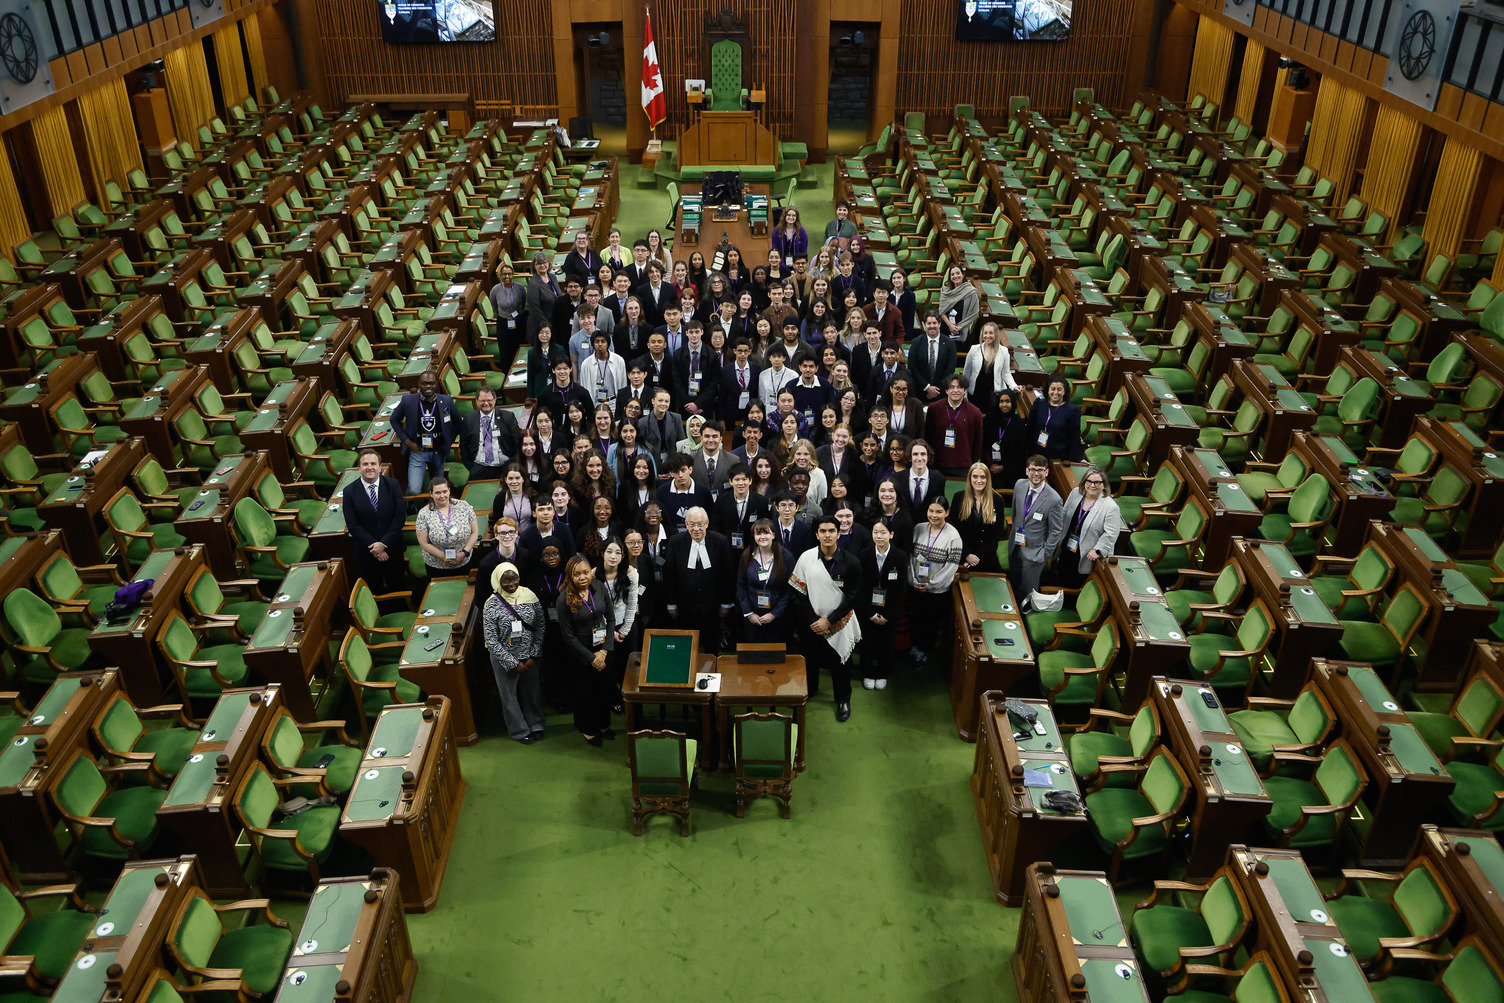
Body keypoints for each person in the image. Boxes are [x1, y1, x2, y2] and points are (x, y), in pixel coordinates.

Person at [789, 516, 862, 721]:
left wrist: (829, 620)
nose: (827, 535)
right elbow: (797, 591)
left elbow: (853, 596)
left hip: (839, 624)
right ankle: (809, 691)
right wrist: (815, 620)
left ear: (839, 534)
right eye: (823, 531)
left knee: (841, 664)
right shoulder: (806, 558)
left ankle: (843, 699)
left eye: (831, 531)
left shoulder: (852, 562)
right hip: (811, 624)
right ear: (817, 534)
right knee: (809, 660)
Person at [483, 562, 546, 744]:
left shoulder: (530, 596)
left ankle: (536, 724)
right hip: (503, 658)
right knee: (509, 696)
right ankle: (519, 730)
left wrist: (533, 654)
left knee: (532, 692)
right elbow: (491, 640)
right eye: (506, 580)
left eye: (514, 578)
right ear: (497, 581)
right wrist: (512, 662)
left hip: (530, 656)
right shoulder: (491, 604)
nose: (511, 583)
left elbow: (540, 626)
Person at [556, 555, 616, 746]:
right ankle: (587, 728)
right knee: (585, 692)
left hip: (602, 648)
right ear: (570, 576)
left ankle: (603, 724)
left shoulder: (598, 586)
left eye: (586, 572)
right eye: (577, 574)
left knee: (603, 688)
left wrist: (604, 652)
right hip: (580, 653)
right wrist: (592, 658)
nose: (583, 577)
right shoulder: (563, 599)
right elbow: (568, 636)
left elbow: (611, 619)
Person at [663, 507, 735, 654]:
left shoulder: (720, 541)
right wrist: (671, 603)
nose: (696, 529)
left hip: (712, 606)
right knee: (686, 647)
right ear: (686, 524)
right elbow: (670, 574)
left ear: (707, 523)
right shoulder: (676, 541)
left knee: (711, 645)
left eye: (700, 524)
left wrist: (726, 603)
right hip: (685, 606)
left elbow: (727, 574)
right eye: (692, 524)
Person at [387, 369, 462, 497]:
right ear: (419, 384)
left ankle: (435, 508)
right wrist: (407, 441)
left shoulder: (446, 401)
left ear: (436, 384)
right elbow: (394, 420)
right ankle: (411, 508)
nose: (428, 386)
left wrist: (448, 441)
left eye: (432, 383)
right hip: (418, 451)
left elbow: (458, 422)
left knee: (437, 488)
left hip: (439, 451)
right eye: (425, 383)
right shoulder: (408, 401)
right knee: (414, 490)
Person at [908, 496, 963, 665]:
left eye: (939, 512)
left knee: (930, 624)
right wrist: (913, 580)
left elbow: (951, 567)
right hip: (915, 586)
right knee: (915, 619)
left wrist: (931, 585)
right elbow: (910, 558)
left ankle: (924, 651)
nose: (934, 515)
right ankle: (914, 646)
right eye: (931, 511)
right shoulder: (918, 528)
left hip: (936, 591)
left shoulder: (953, 536)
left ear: (947, 512)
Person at [343, 448, 407, 593]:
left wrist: (383, 544)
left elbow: (399, 517)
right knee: (374, 590)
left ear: (380, 467)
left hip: (393, 548)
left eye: (373, 463)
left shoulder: (393, 485)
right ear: (359, 468)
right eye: (365, 464)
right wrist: (375, 548)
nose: (369, 467)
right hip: (367, 554)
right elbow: (353, 525)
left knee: (397, 587)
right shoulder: (349, 492)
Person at [857, 518, 907, 690]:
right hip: (868, 610)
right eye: (875, 532)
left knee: (887, 643)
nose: (879, 536)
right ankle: (868, 672)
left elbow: (901, 590)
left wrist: (887, 615)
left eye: (883, 532)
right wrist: (870, 614)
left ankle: (882, 673)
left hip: (889, 610)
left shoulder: (900, 556)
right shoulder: (863, 555)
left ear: (891, 534)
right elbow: (859, 588)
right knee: (867, 642)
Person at [1009, 454, 1066, 602]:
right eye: (1033, 469)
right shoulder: (1019, 485)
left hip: (1035, 553)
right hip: (1015, 545)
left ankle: (1028, 616)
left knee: (1029, 591)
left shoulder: (1054, 499)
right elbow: (1015, 514)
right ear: (1027, 471)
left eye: (1040, 470)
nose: (1036, 473)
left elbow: (1056, 531)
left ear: (1046, 472)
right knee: (1014, 583)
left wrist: (1045, 554)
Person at [1056, 466, 1123, 589]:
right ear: (1084, 482)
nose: (1092, 485)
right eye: (1089, 481)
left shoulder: (1110, 507)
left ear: (1104, 485)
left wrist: (1098, 550)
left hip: (1088, 553)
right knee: (1063, 574)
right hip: (1068, 545)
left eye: (1097, 482)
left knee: (1076, 582)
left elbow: (1112, 533)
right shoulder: (1075, 493)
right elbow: (1064, 515)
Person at [596, 537, 639, 712]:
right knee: (608, 666)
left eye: (618, 552)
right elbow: (595, 608)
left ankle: (629, 697)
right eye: (609, 552)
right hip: (603, 626)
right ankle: (614, 699)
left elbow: (632, 604)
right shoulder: (594, 575)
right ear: (602, 553)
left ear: (623, 555)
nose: (613, 556)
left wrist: (624, 630)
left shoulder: (631, 573)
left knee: (628, 665)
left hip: (626, 625)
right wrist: (610, 631)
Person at [736, 519, 795, 644]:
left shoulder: (786, 557)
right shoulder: (747, 555)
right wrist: (749, 613)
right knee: (754, 655)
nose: (762, 537)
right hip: (753, 616)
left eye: (766, 533)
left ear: (773, 535)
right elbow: (741, 585)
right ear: (754, 536)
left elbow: (790, 590)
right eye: (758, 534)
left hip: (778, 617)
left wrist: (774, 614)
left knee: (776, 656)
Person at [414, 477, 478, 578]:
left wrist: (464, 553)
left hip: (464, 560)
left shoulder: (464, 506)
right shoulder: (424, 514)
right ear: (431, 494)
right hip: (437, 566)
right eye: (437, 493)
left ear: (449, 490)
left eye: (444, 491)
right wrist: (445, 557)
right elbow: (424, 543)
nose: (442, 496)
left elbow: (474, 533)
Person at [925, 375, 985, 477]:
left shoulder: (975, 412)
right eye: (952, 387)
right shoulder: (934, 409)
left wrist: (971, 462)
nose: (955, 390)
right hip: (937, 464)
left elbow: (978, 442)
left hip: (963, 466)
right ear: (946, 390)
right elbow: (928, 436)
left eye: (959, 387)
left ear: (965, 390)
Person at [951, 462, 1004, 574]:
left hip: (986, 555)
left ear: (988, 479)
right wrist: (967, 554)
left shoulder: (997, 500)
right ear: (970, 478)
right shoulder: (958, 498)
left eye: (982, 477)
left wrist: (977, 557)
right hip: (963, 553)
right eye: (975, 476)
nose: (978, 480)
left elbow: (996, 534)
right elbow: (954, 530)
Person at [460, 387, 521, 482]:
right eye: (482, 400)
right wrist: (471, 467)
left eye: (489, 400)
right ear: (476, 401)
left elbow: (518, 443)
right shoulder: (469, 419)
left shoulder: (508, 417)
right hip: (479, 468)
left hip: (505, 467)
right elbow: (463, 446)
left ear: (495, 400)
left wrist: (512, 464)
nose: (486, 403)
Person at [1025, 375, 1086, 463]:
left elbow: (1074, 437)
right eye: (1053, 389)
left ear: (1064, 391)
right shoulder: (1039, 404)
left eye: (1059, 389)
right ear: (1048, 390)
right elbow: (1030, 429)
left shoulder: (1072, 411)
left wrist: (1080, 458)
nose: (1056, 392)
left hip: (1057, 457)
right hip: (1036, 453)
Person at [962, 322, 1018, 411]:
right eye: (985, 333)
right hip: (975, 393)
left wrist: (1014, 386)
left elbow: (1006, 374)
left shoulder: (1004, 351)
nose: (988, 336)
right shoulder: (974, 349)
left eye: (991, 333)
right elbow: (966, 373)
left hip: (994, 395)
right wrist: (964, 394)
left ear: (996, 334)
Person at [983, 388, 1030, 488]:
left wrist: (1003, 467)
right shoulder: (990, 419)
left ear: (1013, 402)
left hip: (1010, 471)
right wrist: (991, 464)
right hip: (989, 467)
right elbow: (984, 444)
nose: (1004, 405)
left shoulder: (1019, 423)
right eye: (1001, 401)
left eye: (1007, 401)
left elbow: (1020, 451)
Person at [909, 312, 958, 405]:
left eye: (934, 323)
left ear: (939, 324)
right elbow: (912, 367)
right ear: (924, 325)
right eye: (929, 323)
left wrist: (935, 390)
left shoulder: (949, 343)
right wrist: (927, 387)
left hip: (941, 392)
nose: (932, 326)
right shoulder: (916, 342)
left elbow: (950, 369)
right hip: (919, 391)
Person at [656, 452, 711, 533]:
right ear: (671, 473)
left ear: (690, 469)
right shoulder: (662, 491)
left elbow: (710, 519)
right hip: (670, 538)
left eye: (683, 470)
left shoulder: (703, 491)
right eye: (676, 471)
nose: (680, 475)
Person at [477, 515, 525, 608]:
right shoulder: (486, 564)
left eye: (511, 532)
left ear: (516, 534)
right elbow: (481, 598)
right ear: (496, 536)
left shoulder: (527, 557)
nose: (507, 536)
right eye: (503, 533)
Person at [637, 388, 686, 470]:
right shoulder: (642, 422)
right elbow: (642, 449)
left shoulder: (676, 418)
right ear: (653, 401)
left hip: (673, 465)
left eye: (666, 401)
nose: (663, 404)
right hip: (651, 466)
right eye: (660, 400)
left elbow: (681, 443)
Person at [902, 439, 947, 521]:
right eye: (915, 454)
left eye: (923, 454)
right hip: (905, 526)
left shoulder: (939, 479)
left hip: (928, 527)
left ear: (928, 456)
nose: (919, 458)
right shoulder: (898, 478)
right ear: (909, 457)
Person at [490, 262, 524, 369]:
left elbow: (523, 304)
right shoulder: (495, 290)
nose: (507, 277)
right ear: (500, 276)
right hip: (503, 323)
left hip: (518, 321)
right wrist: (504, 314)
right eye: (504, 274)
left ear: (513, 275)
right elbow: (494, 306)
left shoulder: (520, 288)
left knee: (518, 348)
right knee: (505, 352)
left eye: (509, 274)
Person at [937, 265, 979, 343]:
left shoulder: (971, 292)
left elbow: (974, 313)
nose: (955, 276)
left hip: (961, 329)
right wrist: (950, 325)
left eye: (958, 273)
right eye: (952, 274)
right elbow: (941, 311)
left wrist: (959, 327)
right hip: (945, 326)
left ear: (963, 275)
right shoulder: (946, 291)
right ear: (950, 277)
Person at [524, 251, 559, 343]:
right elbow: (535, 308)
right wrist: (546, 325)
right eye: (539, 263)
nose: (542, 265)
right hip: (541, 326)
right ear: (534, 266)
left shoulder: (552, 277)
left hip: (554, 320)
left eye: (544, 262)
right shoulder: (533, 283)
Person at [527, 324, 569, 401]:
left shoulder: (560, 350)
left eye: (547, 333)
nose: (544, 335)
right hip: (539, 391)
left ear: (551, 334)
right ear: (537, 334)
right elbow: (530, 376)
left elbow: (566, 369)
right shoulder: (531, 352)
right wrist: (530, 397)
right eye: (541, 332)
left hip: (557, 389)